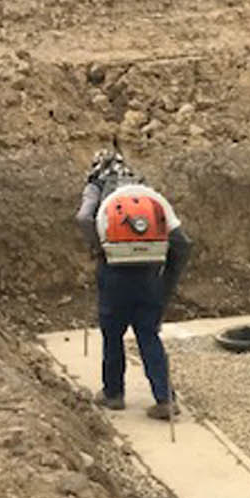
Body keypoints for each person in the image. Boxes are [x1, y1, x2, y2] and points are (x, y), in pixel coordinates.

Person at [75, 147, 192, 419]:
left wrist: (98, 247)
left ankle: (114, 394)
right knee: (148, 334)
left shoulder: (96, 186)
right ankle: (165, 399)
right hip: (149, 274)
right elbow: (183, 243)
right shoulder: (149, 194)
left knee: (112, 333)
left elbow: (82, 218)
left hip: (114, 272)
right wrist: (166, 283)